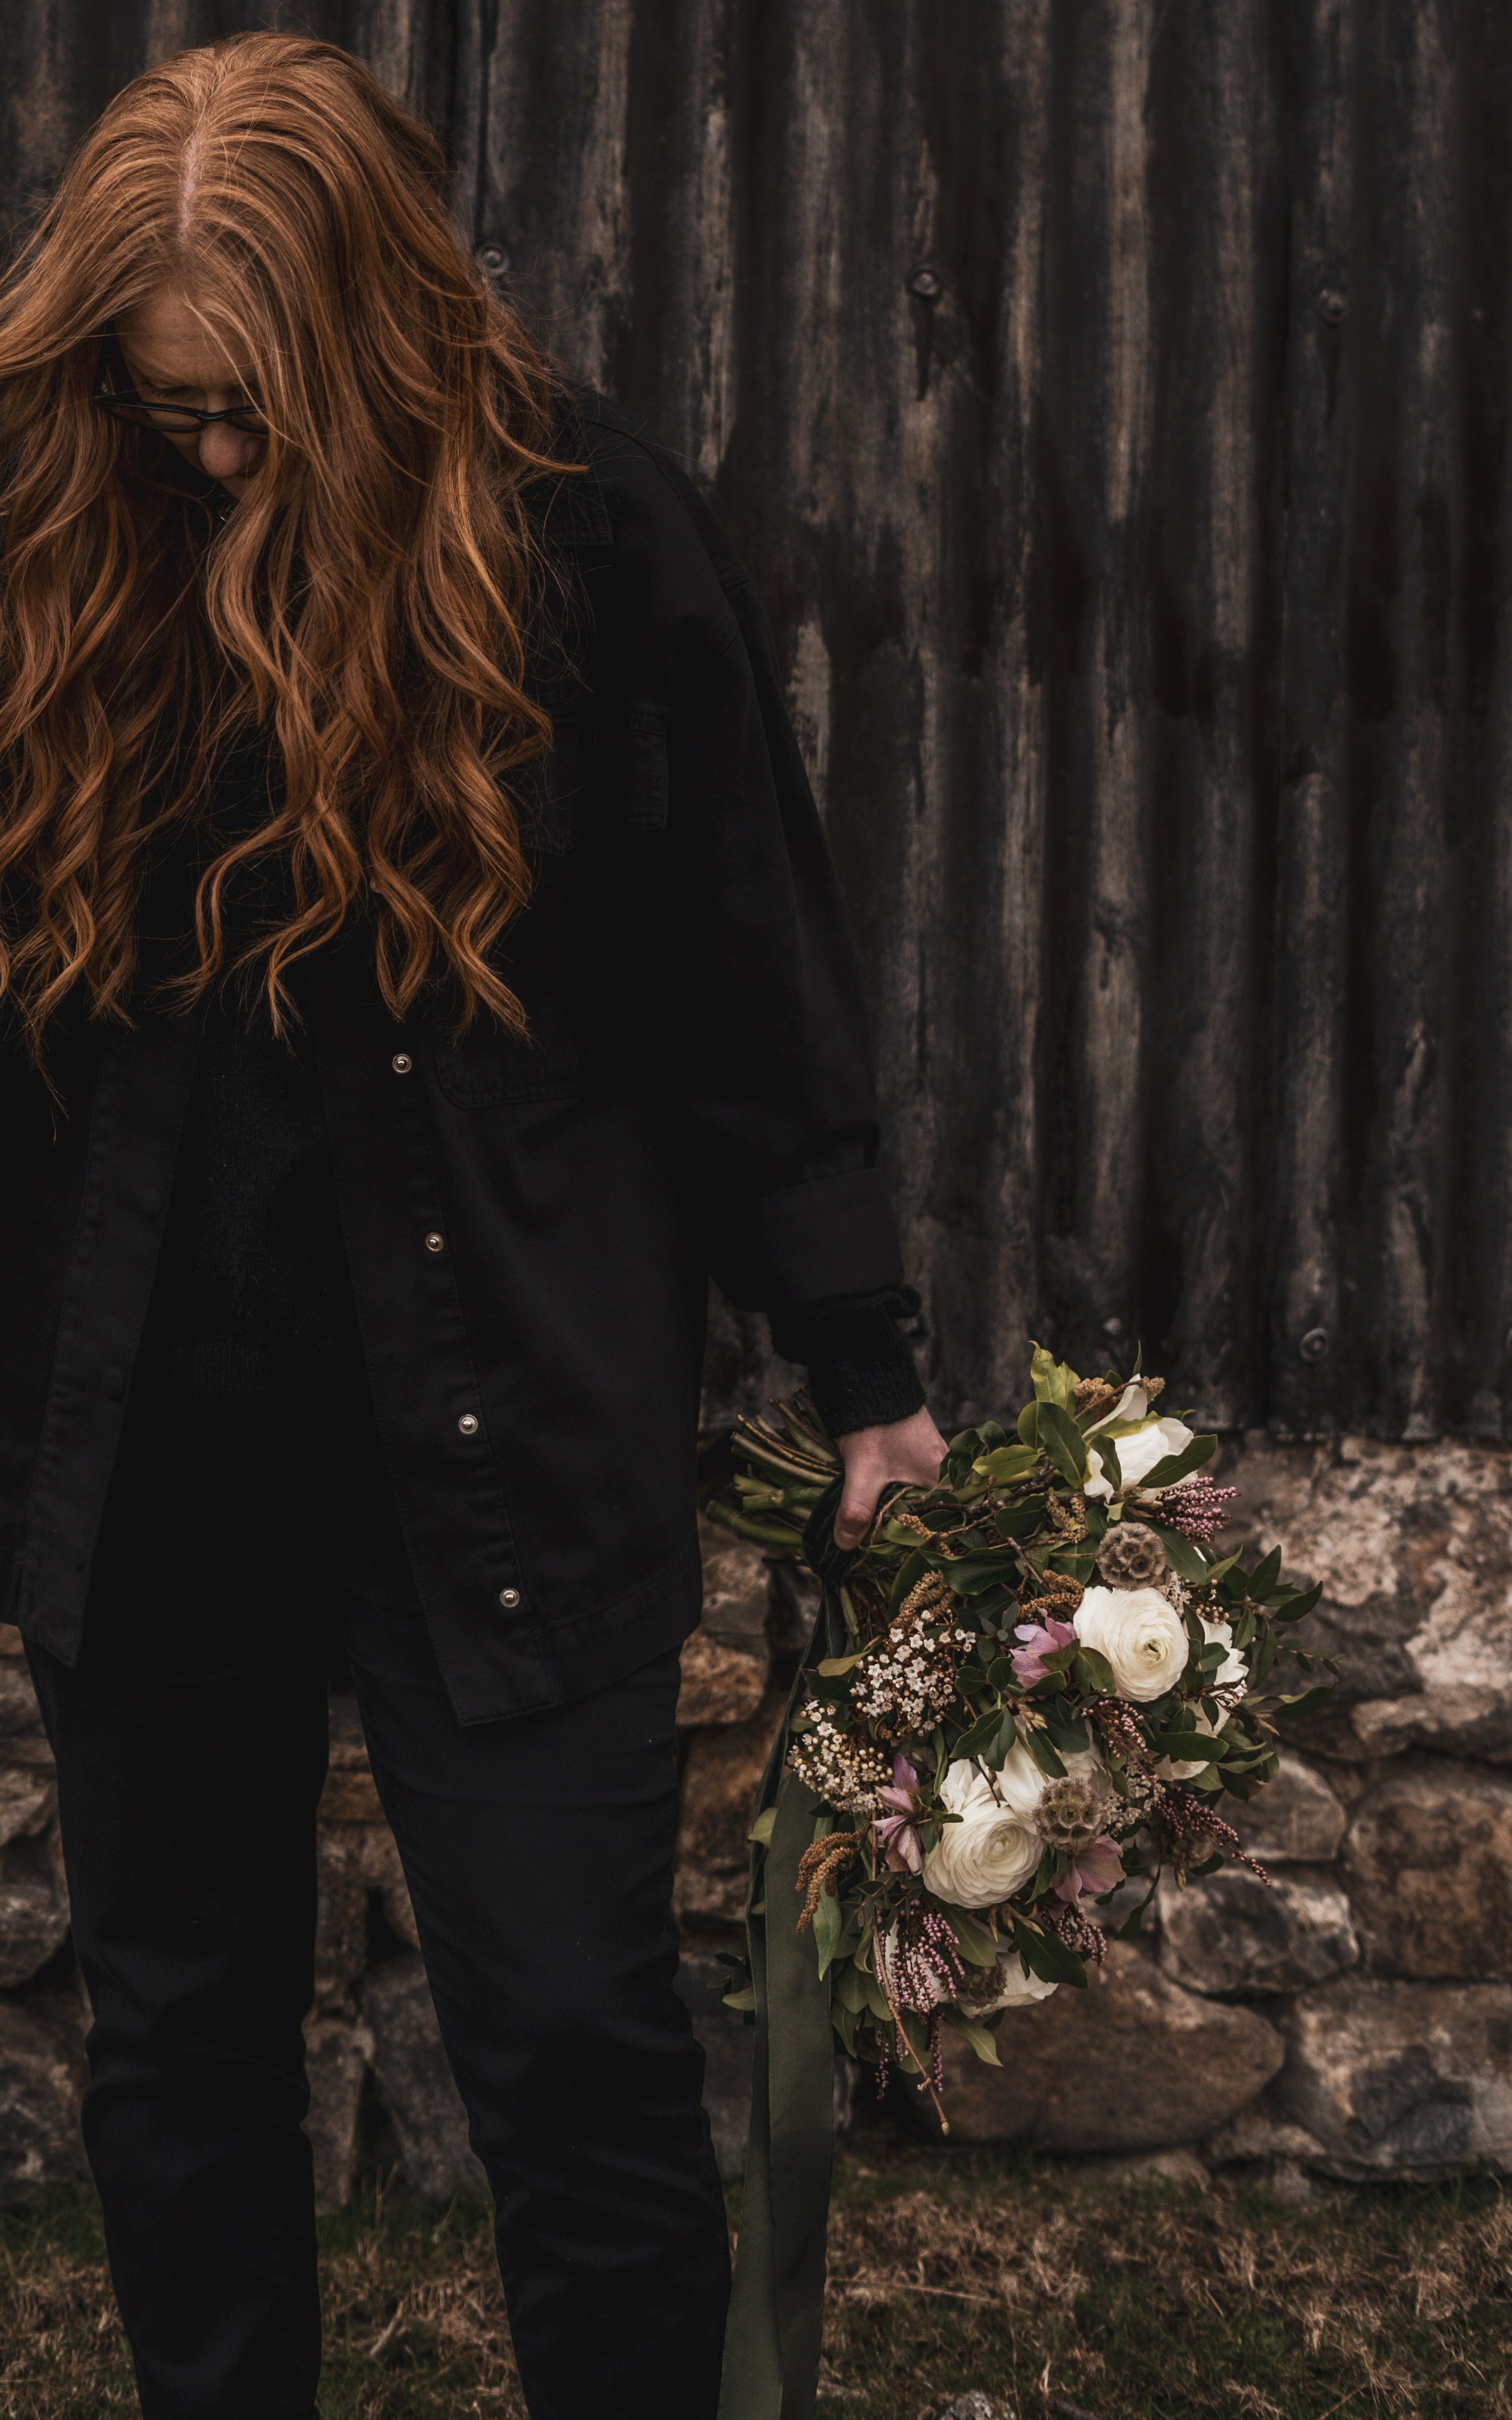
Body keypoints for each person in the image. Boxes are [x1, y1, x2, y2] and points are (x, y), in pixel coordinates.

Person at [0, 33, 946, 2420]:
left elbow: (754, 979)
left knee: (568, 2029)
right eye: (161, 406)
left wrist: (866, 1364)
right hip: (146, 1440)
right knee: (185, 2035)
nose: (207, 456)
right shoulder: (42, 548)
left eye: (251, 413)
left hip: (507, 1422)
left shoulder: (588, 541)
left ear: (376, 340)